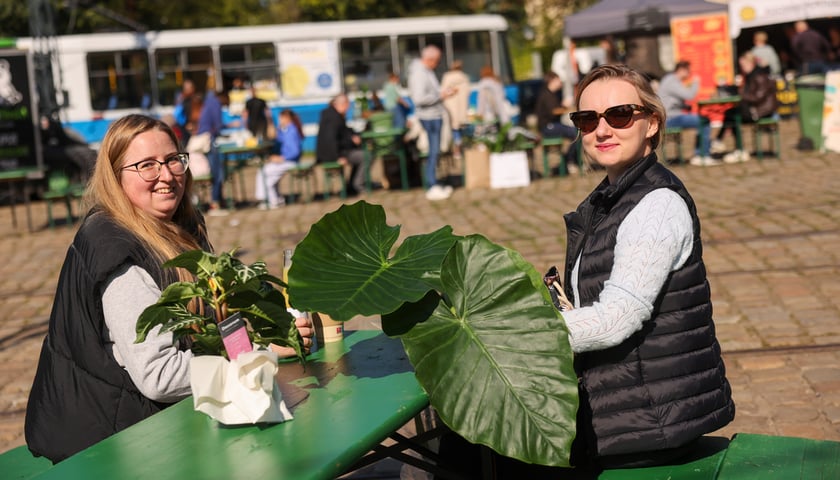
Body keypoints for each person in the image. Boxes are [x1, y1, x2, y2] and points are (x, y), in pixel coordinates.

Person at [24, 114, 313, 463]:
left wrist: (269, 333)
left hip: (154, 421)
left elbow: (210, 324)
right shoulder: (114, 247)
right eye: (146, 165)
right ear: (116, 177)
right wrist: (258, 357)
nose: (166, 175)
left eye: (173, 160)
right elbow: (158, 376)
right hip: (108, 443)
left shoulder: (179, 225)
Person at [560, 63, 735, 470]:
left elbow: (617, 319)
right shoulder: (612, 197)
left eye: (619, 115)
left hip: (648, 424)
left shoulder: (655, 204)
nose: (602, 130)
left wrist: (516, 330)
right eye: (587, 120)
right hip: (630, 412)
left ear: (652, 123)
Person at [408, 44, 457, 201]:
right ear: (430, 59)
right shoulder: (419, 74)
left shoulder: (425, 71)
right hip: (429, 117)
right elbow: (419, 98)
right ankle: (431, 185)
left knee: (435, 151)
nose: (437, 63)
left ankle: (434, 182)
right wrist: (441, 95)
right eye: (437, 61)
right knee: (433, 152)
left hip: (434, 115)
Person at [716, 52, 779, 163]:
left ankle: (734, 147)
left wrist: (740, 94)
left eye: (743, 64)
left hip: (760, 111)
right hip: (756, 109)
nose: (742, 67)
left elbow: (758, 97)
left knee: (733, 115)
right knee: (731, 113)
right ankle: (723, 142)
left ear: (750, 63)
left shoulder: (758, 75)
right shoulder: (751, 75)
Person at [656, 60, 714, 166]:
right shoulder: (672, 81)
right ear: (682, 70)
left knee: (700, 121)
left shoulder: (671, 80)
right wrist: (696, 82)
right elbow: (689, 95)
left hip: (671, 116)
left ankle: (700, 153)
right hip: (670, 119)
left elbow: (674, 102)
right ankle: (703, 155)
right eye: (689, 72)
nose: (689, 75)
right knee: (704, 121)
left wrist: (685, 106)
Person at [315, 93, 365, 196]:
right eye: (348, 106)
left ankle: (353, 184)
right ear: (343, 104)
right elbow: (330, 141)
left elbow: (344, 132)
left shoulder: (333, 115)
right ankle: (357, 184)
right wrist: (338, 157)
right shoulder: (333, 119)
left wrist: (353, 136)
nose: (348, 109)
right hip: (333, 155)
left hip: (336, 153)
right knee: (366, 156)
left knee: (361, 155)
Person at [255, 109, 302, 209]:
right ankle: (275, 199)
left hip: (289, 161)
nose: (280, 120)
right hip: (285, 160)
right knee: (268, 176)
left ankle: (271, 199)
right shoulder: (284, 130)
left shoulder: (291, 131)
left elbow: (295, 151)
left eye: (281, 118)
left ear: (287, 118)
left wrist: (282, 158)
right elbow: (274, 137)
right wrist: (269, 119)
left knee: (265, 172)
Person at [534, 70, 580, 171]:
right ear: (552, 80)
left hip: (551, 125)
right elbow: (554, 111)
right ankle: (569, 159)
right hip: (547, 127)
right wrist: (566, 107)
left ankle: (572, 159)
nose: (560, 83)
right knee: (575, 133)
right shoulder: (546, 94)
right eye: (558, 80)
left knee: (577, 132)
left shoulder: (551, 93)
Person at [196, 86, 227, 214]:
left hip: (205, 140)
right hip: (209, 141)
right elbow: (218, 125)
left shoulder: (209, 102)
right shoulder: (216, 103)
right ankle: (215, 203)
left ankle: (218, 201)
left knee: (215, 172)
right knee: (217, 173)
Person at [440, 60, 470, 159]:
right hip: (461, 110)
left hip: (450, 108)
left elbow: (443, 92)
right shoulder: (465, 78)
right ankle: (458, 149)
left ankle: (452, 150)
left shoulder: (447, 77)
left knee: (451, 129)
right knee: (459, 128)